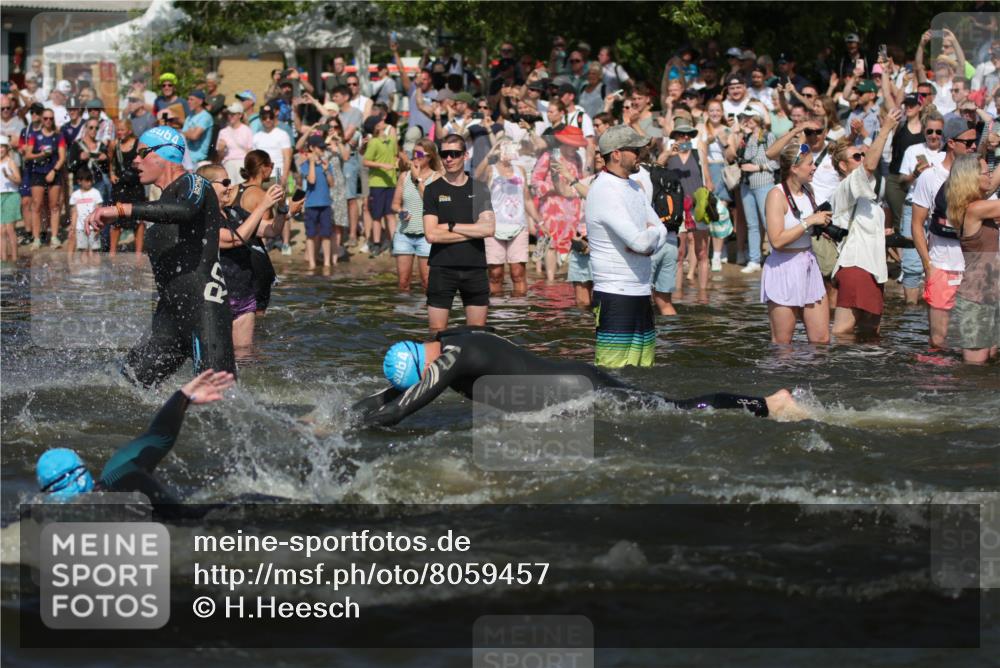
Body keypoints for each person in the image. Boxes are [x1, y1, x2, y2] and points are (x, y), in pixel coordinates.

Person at [354, 328, 804, 427]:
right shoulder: (444, 342)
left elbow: (400, 408)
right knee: (670, 407)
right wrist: (332, 416)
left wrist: (350, 428)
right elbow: (393, 393)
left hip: (580, 391)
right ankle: (766, 403)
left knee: (678, 411)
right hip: (572, 386)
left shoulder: (455, 356)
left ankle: (765, 404)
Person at [84, 126, 236, 387]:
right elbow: (168, 212)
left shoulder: (195, 183)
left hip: (204, 307)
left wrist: (120, 210)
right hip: (170, 316)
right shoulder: (161, 202)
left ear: (165, 153)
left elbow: (185, 210)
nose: (135, 160)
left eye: (142, 153)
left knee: (221, 401)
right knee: (127, 387)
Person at [35, 371, 234, 504]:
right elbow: (159, 437)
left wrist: (183, 396)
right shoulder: (126, 481)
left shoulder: (125, 483)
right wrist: (182, 396)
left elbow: (158, 437)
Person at [585, 125, 667, 367]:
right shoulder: (604, 190)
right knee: (612, 378)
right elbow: (640, 242)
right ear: (617, 154)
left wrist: (648, 239)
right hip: (615, 294)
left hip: (641, 290)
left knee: (644, 374)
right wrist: (648, 238)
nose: (640, 153)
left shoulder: (633, 186)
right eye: (634, 149)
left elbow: (659, 231)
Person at [829, 110, 900, 339]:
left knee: (871, 335)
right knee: (843, 332)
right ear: (843, 166)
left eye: (862, 155)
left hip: (874, 270)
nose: (861, 159)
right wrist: (886, 129)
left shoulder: (865, 193)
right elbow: (869, 166)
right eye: (856, 157)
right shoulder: (846, 187)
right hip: (855, 266)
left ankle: (863, 375)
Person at [199, 164, 282, 357]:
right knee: (215, 357)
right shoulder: (202, 218)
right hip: (216, 298)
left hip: (244, 295)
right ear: (208, 187)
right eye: (225, 182)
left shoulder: (235, 212)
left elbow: (271, 230)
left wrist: (284, 210)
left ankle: (241, 388)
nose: (230, 187)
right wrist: (262, 205)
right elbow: (234, 238)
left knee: (243, 357)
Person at [911, 116, 978, 349]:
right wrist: (928, 266)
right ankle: (936, 383)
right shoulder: (930, 177)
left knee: (975, 342)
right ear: (951, 143)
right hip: (942, 265)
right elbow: (917, 224)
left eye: (975, 142)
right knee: (939, 340)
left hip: (974, 268)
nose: (973, 147)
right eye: (968, 143)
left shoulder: (979, 176)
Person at [422, 133, 496, 335]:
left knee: (478, 332)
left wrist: (451, 226)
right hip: (441, 267)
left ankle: (474, 367)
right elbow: (431, 235)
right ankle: (436, 365)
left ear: (465, 155)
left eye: (454, 154)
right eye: (445, 154)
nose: (449, 159)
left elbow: (489, 229)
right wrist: (473, 231)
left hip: (475, 267)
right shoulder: (432, 189)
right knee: (436, 330)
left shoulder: (479, 188)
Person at [761, 142, 833, 344]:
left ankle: (815, 376)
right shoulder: (776, 195)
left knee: (821, 340)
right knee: (783, 343)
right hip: (784, 267)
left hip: (809, 264)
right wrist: (809, 221)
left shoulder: (808, 189)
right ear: (794, 168)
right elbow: (776, 240)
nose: (814, 167)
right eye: (810, 164)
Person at [945, 155, 1000, 364]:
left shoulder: (979, 208)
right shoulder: (975, 210)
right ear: (972, 178)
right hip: (976, 298)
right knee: (974, 368)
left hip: (990, 294)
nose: (990, 176)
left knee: (990, 362)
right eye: (986, 173)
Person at [475, 139, 540, 297]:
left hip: (518, 226)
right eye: (504, 147)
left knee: (518, 273)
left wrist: (540, 222)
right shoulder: (491, 170)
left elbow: (527, 199)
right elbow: (477, 176)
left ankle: (518, 311)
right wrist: (491, 153)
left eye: (510, 147)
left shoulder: (520, 170)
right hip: (494, 227)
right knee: (495, 274)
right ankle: (497, 312)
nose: (508, 151)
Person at [896, 111, 946, 304]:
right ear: (924, 131)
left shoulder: (946, 154)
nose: (934, 135)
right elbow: (901, 184)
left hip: (939, 211)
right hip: (913, 207)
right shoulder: (913, 150)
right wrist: (914, 174)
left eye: (938, 132)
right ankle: (910, 313)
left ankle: (933, 307)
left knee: (939, 261)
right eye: (930, 131)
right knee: (911, 262)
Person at [532, 125, 586, 282]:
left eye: (577, 145)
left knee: (570, 243)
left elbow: (579, 180)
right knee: (550, 242)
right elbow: (535, 181)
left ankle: (568, 278)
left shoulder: (577, 158)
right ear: (564, 142)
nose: (575, 148)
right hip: (552, 206)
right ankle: (550, 280)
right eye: (573, 144)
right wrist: (554, 188)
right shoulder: (549, 156)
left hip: (572, 208)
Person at [729, 106, 778, 273]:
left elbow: (776, 162)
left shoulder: (768, 136)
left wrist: (758, 168)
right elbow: (738, 157)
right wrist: (737, 134)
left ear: (758, 119)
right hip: (746, 184)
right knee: (752, 224)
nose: (746, 121)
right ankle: (754, 260)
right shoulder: (746, 138)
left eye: (750, 117)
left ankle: (775, 256)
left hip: (764, 183)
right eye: (744, 117)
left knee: (768, 221)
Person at [391, 138, 440, 292]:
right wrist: (400, 212)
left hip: (426, 236)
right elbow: (395, 204)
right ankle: (404, 314)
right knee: (403, 283)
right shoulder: (404, 176)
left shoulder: (436, 177)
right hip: (404, 234)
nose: (416, 157)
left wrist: (417, 178)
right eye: (414, 153)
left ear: (430, 156)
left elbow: (432, 203)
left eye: (420, 154)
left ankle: (426, 314)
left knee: (427, 283)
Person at [251, 105, 293, 254]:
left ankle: (286, 242)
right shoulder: (257, 136)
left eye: (270, 117)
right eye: (264, 117)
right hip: (261, 177)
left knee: (282, 209)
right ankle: (264, 243)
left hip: (277, 174)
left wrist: (284, 177)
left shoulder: (282, 134)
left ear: (274, 118)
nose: (267, 120)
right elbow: (255, 159)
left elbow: (287, 156)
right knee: (263, 209)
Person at [23, 107, 66, 248]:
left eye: (51, 118)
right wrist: (41, 154)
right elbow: (28, 155)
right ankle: (36, 238)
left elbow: (62, 157)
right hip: (38, 172)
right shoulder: (35, 136)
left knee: (54, 206)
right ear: (41, 119)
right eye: (46, 118)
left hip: (53, 172)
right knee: (37, 205)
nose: (48, 121)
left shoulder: (58, 136)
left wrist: (54, 170)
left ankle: (53, 237)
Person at [362, 113, 399, 257]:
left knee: (390, 214)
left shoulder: (391, 139)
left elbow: (396, 155)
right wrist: (382, 165)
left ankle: (395, 243)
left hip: (391, 182)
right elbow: (366, 161)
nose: (383, 121)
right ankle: (376, 243)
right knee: (377, 215)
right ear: (376, 126)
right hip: (377, 183)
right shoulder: (373, 142)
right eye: (380, 121)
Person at [302, 134, 337, 269]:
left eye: (323, 147)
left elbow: (332, 183)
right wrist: (311, 162)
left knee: (326, 234)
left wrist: (327, 170)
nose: (323, 150)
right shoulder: (305, 165)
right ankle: (312, 263)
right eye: (320, 147)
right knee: (311, 235)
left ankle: (327, 263)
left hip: (325, 204)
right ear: (312, 148)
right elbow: (311, 180)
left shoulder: (325, 164)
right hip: (311, 204)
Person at [66, 168, 102, 256]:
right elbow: (74, 213)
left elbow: (99, 211)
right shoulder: (75, 195)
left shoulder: (95, 193)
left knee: (95, 251)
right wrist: (72, 227)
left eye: (90, 180)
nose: (89, 183)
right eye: (87, 181)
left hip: (93, 227)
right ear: (79, 181)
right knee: (83, 250)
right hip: (80, 228)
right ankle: (84, 269)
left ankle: (95, 269)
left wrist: (98, 226)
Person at [217, 102, 253, 185]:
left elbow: (250, 151)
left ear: (240, 115)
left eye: (233, 114)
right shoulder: (223, 132)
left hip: (242, 164)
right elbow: (220, 156)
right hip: (228, 164)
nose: (230, 116)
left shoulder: (247, 130)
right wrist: (221, 149)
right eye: (229, 114)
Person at [0, 134, 22, 261]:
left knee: (9, 229)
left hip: (11, 196)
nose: (0, 150)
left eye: (2, 147)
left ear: (6, 148)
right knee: (0, 231)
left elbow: (18, 180)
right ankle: (2, 260)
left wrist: (8, 176)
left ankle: (14, 259)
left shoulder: (10, 162)